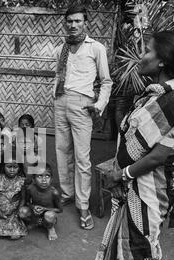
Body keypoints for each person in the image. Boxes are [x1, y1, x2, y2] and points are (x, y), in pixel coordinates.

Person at [83, 31, 174, 260]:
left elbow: (159, 156)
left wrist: (121, 174)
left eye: (147, 50)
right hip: (134, 184)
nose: (141, 55)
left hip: (149, 191)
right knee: (123, 247)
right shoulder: (158, 96)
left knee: (136, 253)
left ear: (162, 61)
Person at [53, 5, 112, 230]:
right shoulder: (61, 49)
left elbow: (106, 81)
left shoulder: (96, 48)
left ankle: (83, 204)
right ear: (65, 23)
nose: (73, 25)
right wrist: (56, 98)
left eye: (77, 21)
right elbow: (58, 75)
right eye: (69, 21)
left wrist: (99, 104)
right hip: (60, 102)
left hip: (82, 104)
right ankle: (68, 193)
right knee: (62, 150)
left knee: (82, 157)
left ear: (85, 22)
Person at [0, 152, 28, 239]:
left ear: (19, 168)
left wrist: (17, 212)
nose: (12, 170)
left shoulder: (21, 181)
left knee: (15, 236)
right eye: (9, 167)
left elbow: (23, 199)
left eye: (15, 167)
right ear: (3, 166)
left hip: (12, 214)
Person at [20, 164, 61, 241]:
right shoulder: (30, 189)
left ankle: (50, 227)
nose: (44, 180)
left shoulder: (54, 192)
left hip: (48, 213)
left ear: (51, 179)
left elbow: (59, 210)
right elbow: (27, 202)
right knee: (22, 212)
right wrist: (33, 207)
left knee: (49, 215)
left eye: (47, 176)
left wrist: (44, 209)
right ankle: (35, 222)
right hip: (35, 213)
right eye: (39, 176)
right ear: (34, 179)